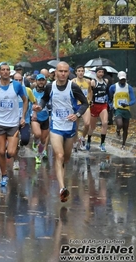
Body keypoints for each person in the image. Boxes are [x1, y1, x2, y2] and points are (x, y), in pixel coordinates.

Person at [33, 62, 88, 202]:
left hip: (70, 127)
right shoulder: (50, 86)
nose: (63, 74)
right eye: (60, 71)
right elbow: (45, 98)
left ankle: (62, 177)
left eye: (65, 71)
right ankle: (62, 188)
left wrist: (77, 115)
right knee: (59, 155)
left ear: (68, 73)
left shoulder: (73, 87)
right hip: (56, 126)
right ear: (55, 73)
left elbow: (85, 103)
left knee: (66, 158)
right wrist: (40, 106)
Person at [0, 62, 28, 187]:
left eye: (8, 70)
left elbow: (25, 101)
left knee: (11, 153)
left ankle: (11, 150)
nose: (5, 72)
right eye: (3, 70)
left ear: (10, 72)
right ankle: (3, 175)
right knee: (1, 151)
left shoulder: (17, 86)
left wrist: (23, 116)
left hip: (13, 123)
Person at [109, 71, 135, 150]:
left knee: (126, 128)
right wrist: (110, 105)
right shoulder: (113, 87)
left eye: (124, 79)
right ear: (118, 79)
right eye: (121, 79)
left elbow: (133, 100)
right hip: (117, 109)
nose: (123, 81)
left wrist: (128, 104)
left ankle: (123, 145)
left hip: (126, 110)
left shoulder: (129, 87)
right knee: (120, 124)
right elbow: (109, 97)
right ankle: (117, 131)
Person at [86, 67, 109, 152]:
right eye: (99, 72)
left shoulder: (106, 81)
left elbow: (106, 92)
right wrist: (90, 101)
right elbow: (90, 92)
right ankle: (88, 140)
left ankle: (102, 143)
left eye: (102, 72)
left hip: (103, 105)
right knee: (92, 126)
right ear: (96, 73)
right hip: (94, 106)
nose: (101, 74)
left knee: (105, 123)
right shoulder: (93, 82)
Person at [71, 65, 91, 151]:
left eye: (82, 71)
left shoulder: (88, 81)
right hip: (76, 106)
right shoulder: (72, 82)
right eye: (79, 71)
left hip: (85, 105)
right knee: (76, 126)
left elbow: (90, 92)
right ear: (76, 72)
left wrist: (89, 100)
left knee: (87, 123)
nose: (81, 72)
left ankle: (82, 138)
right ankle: (75, 143)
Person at [31, 74, 50, 164]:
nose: (41, 82)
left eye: (43, 80)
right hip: (35, 117)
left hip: (45, 117)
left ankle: (39, 154)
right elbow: (29, 103)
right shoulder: (32, 91)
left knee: (43, 140)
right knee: (38, 134)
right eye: (39, 80)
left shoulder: (48, 92)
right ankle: (35, 141)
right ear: (36, 81)